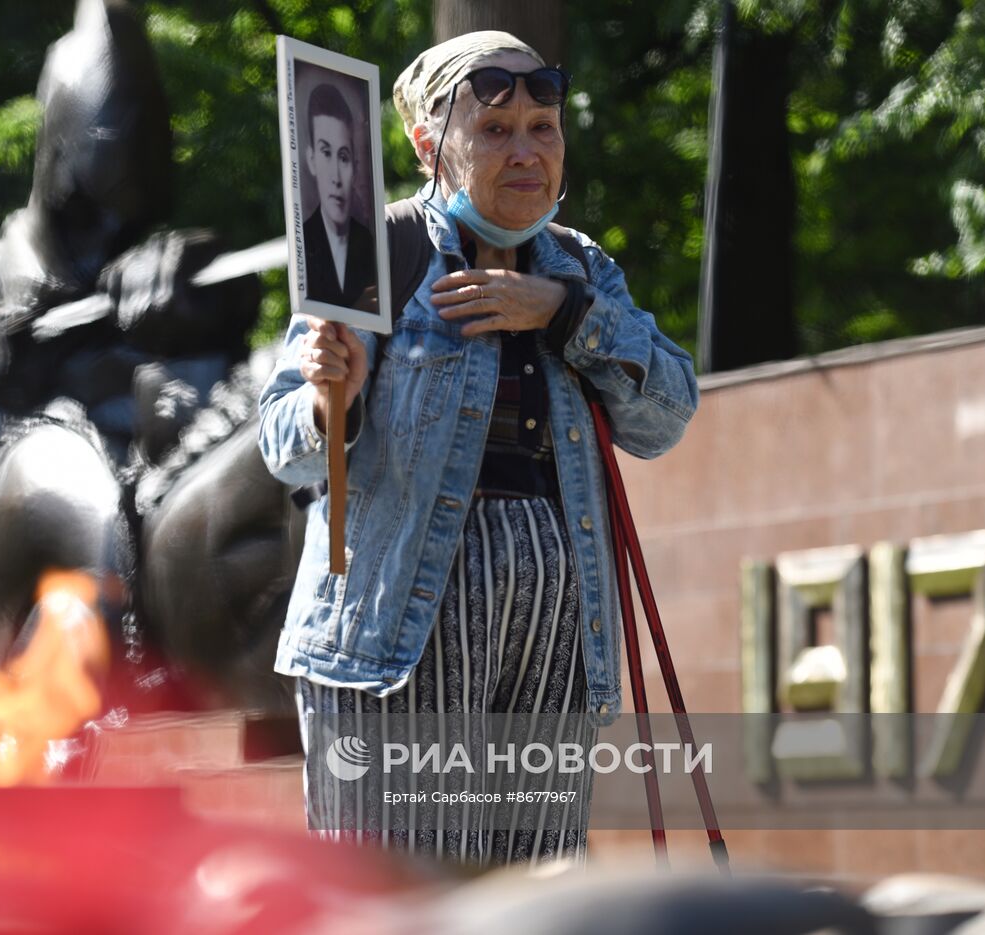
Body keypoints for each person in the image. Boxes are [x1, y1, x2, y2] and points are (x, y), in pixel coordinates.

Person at [258, 31, 699, 868]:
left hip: (557, 650)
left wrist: (564, 313)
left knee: (534, 905)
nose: (527, 150)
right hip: (393, 647)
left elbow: (667, 411)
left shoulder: (581, 266)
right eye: (495, 130)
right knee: (408, 903)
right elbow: (282, 447)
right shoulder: (375, 248)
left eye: (544, 127)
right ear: (432, 145)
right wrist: (330, 401)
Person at [301, 81, 376, 310]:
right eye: (325, 153)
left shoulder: (370, 242)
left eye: (342, 157)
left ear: (354, 167)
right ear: (312, 159)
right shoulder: (303, 239)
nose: (335, 176)